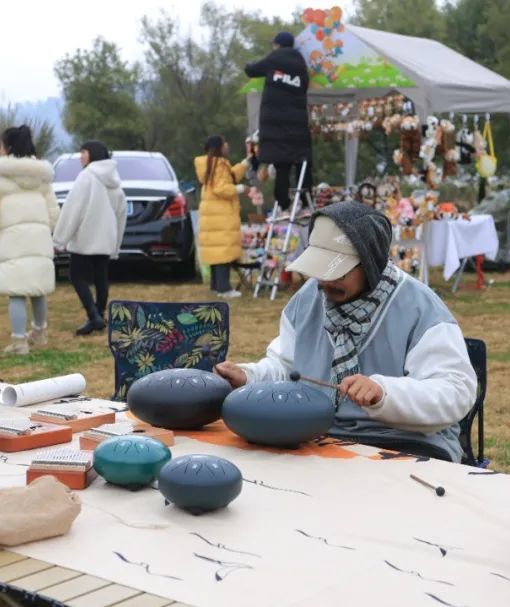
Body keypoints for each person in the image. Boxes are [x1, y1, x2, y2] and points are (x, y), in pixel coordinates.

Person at [213, 202, 478, 462]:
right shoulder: (307, 300)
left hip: (407, 444)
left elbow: (455, 391)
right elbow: (288, 368)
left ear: (370, 262)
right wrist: (249, 376)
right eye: (320, 269)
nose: (326, 281)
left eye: (338, 272)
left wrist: (384, 393)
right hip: (321, 437)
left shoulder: (420, 309)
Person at [0, 125, 59, 356]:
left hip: (12, 240)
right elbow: (54, 213)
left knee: (16, 291)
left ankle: (18, 341)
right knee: (38, 288)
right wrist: (44, 230)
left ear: (8, 147)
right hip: (40, 239)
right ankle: (40, 332)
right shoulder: (42, 178)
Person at [53, 140, 127, 336]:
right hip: (106, 239)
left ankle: (93, 315)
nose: (80, 157)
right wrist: (116, 244)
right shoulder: (114, 180)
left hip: (86, 238)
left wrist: (60, 238)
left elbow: (72, 209)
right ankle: (100, 314)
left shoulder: (87, 177)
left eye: (83, 152)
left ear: (92, 154)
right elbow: (121, 214)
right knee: (101, 277)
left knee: (76, 276)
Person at [244, 31, 313, 210]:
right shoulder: (300, 63)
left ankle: (283, 202)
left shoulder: (274, 58)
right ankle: (306, 201)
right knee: (301, 160)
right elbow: (304, 85)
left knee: (281, 163)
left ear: (277, 45)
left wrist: (248, 64)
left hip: (275, 123)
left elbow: (251, 70)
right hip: (297, 122)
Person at [195, 135, 251, 298]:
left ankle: (216, 286)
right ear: (219, 146)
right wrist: (241, 189)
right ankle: (224, 288)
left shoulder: (213, 164)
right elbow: (221, 188)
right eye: (224, 143)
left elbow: (231, 175)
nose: (227, 145)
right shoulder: (217, 165)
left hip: (213, 215)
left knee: (216, 252)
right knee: (223, 253)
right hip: (220, 214)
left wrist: (245, 163)